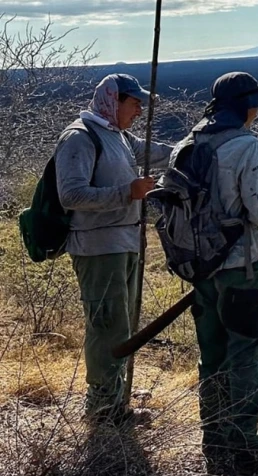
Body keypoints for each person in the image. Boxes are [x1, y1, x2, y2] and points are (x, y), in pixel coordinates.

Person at [174, 71, 258, 476]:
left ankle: (217, 448)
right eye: (256, 103)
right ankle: (247, 456)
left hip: (201, 268)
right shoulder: (246, 146)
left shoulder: (186, 144)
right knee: (250, 358)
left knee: (214, 356)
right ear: (245, 106)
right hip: (242, 268)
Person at [55, 74, 174, 425]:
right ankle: (103, 409)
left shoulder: (119, 135)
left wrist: (196, 147)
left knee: (121, 326)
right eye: (135, 103)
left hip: (124, 243)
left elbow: (159, 152)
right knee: (106, 325)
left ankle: (115, 399)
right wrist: (128, 192)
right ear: (114, 100)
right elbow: (71, 195)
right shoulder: (79, 137)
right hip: (97, 247)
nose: (139, 111)